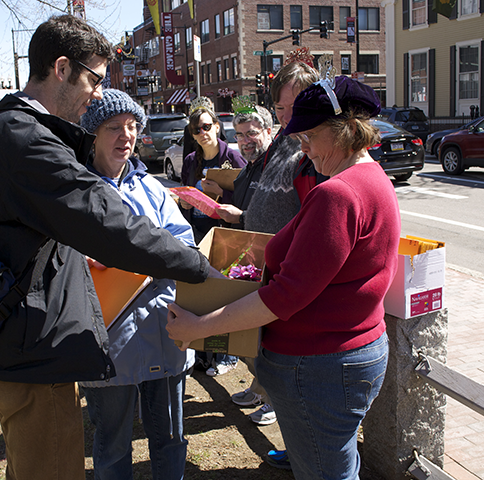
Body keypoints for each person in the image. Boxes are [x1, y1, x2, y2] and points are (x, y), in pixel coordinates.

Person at [0, 16, 214, 480]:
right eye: (93, 78)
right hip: (31, 351)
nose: (96, 92)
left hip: (9, 340)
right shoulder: (26, 140)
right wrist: (201, 268)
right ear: (60, 68)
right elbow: (109, 225)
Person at [166, 73, 400, 480]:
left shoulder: (337, 193)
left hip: (321, 364)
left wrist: (199, 326)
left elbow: (283, 296)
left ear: (344, 130)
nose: (302, 146)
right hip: (348, 354)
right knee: (335, 463)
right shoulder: (373, 178)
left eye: (308, 135)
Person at [79, 89, 194, 480]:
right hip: (108, 341)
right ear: (92, 134)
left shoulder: (153, 187)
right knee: (111, 444)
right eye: (113, 127)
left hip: (165, 329)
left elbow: (186, 242)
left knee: (172, 438)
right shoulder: (75, 192)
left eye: (131, 127)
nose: (125, 136)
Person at [215, 60, 324, 429]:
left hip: (291, 277)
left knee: (276, 353)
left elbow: (315, 221)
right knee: (255, 343)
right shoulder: (277, 148)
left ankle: (275, 401)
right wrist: (240, 219)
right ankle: (267, 393)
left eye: (296, 106)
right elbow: (265, 203)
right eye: (281, 108)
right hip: (258, 260)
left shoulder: (312, 154)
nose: (288, 115)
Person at [179, 97, 246, 377]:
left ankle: (227, 356)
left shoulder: (232, 158)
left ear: (217, 127)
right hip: (198, 231)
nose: (202, 133)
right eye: (196, 130)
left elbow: (244, 197)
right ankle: (205, 356)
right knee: (202, 294)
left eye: (207, 126)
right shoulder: (191, 161)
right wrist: (183, 203)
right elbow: (185, 196)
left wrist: (220, 192)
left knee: (223, 296)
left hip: (225, 235)